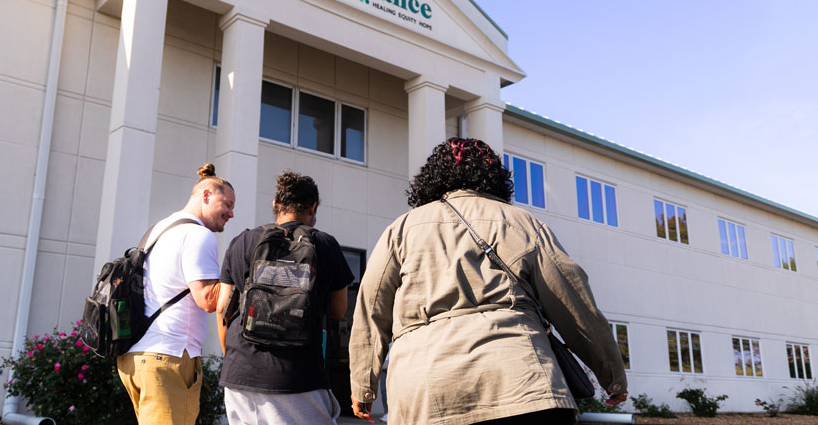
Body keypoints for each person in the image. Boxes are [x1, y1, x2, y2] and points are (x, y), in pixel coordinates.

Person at [348, 138, 628, 425]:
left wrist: (363, 387)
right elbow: (574, 304)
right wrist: (612, 376)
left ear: (431, 178)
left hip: (427, 387)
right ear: (495, 177)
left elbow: (371, 310)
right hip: (523, 383)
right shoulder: (523, 223)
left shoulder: (402, 229)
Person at [217, 171, 354, 425]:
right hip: (298, 378)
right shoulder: (324, 244)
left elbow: (222, 308)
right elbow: (338, 310)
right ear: (312, 207)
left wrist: (233, 357)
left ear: (275, 205)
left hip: (240, 375)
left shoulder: (243, 241)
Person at [117, 163, 235, 425]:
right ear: (206, 195)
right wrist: (237, 276)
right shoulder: (197, 235)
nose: (231, 213)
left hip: (136, 356)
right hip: (167, 357)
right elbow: (208, 299)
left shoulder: (158, 229)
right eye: (226, 204)